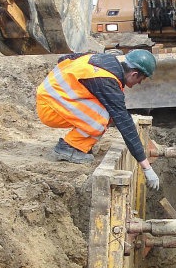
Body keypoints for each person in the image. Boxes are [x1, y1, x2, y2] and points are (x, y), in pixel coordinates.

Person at [35, 49, 161, 190]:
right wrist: (146, 167)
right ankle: (69, 147)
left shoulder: (107, 62)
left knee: (105, 112)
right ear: (134, 74)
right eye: (141, 80)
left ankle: (80, 145)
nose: (139, 83)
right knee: (103, 116)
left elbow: (65, 58)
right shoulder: (106, 81)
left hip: (52, 98)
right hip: (50, 107)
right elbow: (124, 122)